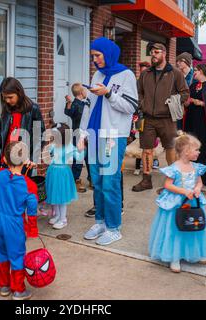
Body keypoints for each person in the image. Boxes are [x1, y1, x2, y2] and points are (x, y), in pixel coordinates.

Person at [78, 37, 137, 246]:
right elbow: (89, 105)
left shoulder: (126, 75)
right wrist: (82, 133)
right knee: (98, 181)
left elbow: (131, 107)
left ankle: (114, 227)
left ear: (108, 53)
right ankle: (101, 221)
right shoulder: (98, 74)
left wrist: (109, 93)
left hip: (113, 136)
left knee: (110, 182)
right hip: (94, 134)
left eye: (98, 55)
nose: (95, 59)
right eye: (93, 56)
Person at [148, 134, 206, 273]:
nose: (199, 152)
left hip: (192, 201)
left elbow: (199, 181)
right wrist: (183, 191)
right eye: (196, 150)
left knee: (193, 226)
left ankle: (195, 252)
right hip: (176, 203)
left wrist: (197, 188)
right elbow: (168, 185)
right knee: (175, 228)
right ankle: (174, 256)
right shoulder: (174, 168)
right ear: (186, 151)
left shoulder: (196, 167)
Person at [133, 42, 189, 192]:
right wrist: (142, 103)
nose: (153, 55)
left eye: (156, 52)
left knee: (170, 148)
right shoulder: (145, 74)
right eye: (151, 52)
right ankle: (146, 180)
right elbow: (139, 92)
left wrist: (172, 101)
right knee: (146, 149)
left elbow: (185, 93)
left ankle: (174, 180)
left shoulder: (175, 73)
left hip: (167, 119)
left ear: (164, 53)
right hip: (148, 118)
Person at [0, 141, 38, 300]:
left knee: (1, 253)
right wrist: (32, 228)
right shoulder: (29, 185)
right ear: (25, 160)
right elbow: (32, 207)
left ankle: (4, 286)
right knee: (17, 255)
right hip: (14, 224)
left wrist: (21, 167)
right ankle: (18, 290)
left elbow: (7, 178)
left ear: (4, 158)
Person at [0, 77, 46, 174]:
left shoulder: (33, 109)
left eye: (10, 97)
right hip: (5, 160)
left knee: (19, 187)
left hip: (23, 162)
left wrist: (33, 158)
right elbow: (0, 137)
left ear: (19, 93)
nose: (7, 101)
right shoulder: (6, 110)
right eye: (4, 97)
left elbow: (39, 137)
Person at [183, 64, 206, 185]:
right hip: (192, 121)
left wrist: (200, 103)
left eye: (195, 71)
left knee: (203, 148)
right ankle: (191, 175)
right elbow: (187, 101)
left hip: (205, 123)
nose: (193, 72)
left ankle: (204, 177)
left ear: (202, 71)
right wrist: (187, 102)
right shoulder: (193, 86)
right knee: (192, 146)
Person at [46, 123, 84, 230]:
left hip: (62, 173)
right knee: (54, 195)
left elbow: (79, 157)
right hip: (52, 171)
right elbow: (48, 154)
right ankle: (57, 215)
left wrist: (81, 149)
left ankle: (63, 219)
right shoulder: (53, 145)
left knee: (61, 197)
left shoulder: (69, 147)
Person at [64, 83, 91, 193]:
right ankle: (75, 181)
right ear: (81, 93)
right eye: (85, 90)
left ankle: (92, 179)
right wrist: (68, 103)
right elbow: (68, 112)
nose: (86, 92)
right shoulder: (75, 104)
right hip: (78, 135)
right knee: (79, 159)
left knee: (90, 158)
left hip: (88, 134)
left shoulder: (87, 103)